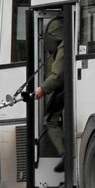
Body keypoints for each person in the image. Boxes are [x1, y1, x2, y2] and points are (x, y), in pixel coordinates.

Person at [32, 15, 67, 172]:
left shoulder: (63, 48)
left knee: (50, 119)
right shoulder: (68, 42)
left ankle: (65, 154)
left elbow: (57, 76)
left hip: (63, 89)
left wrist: (42, 88)